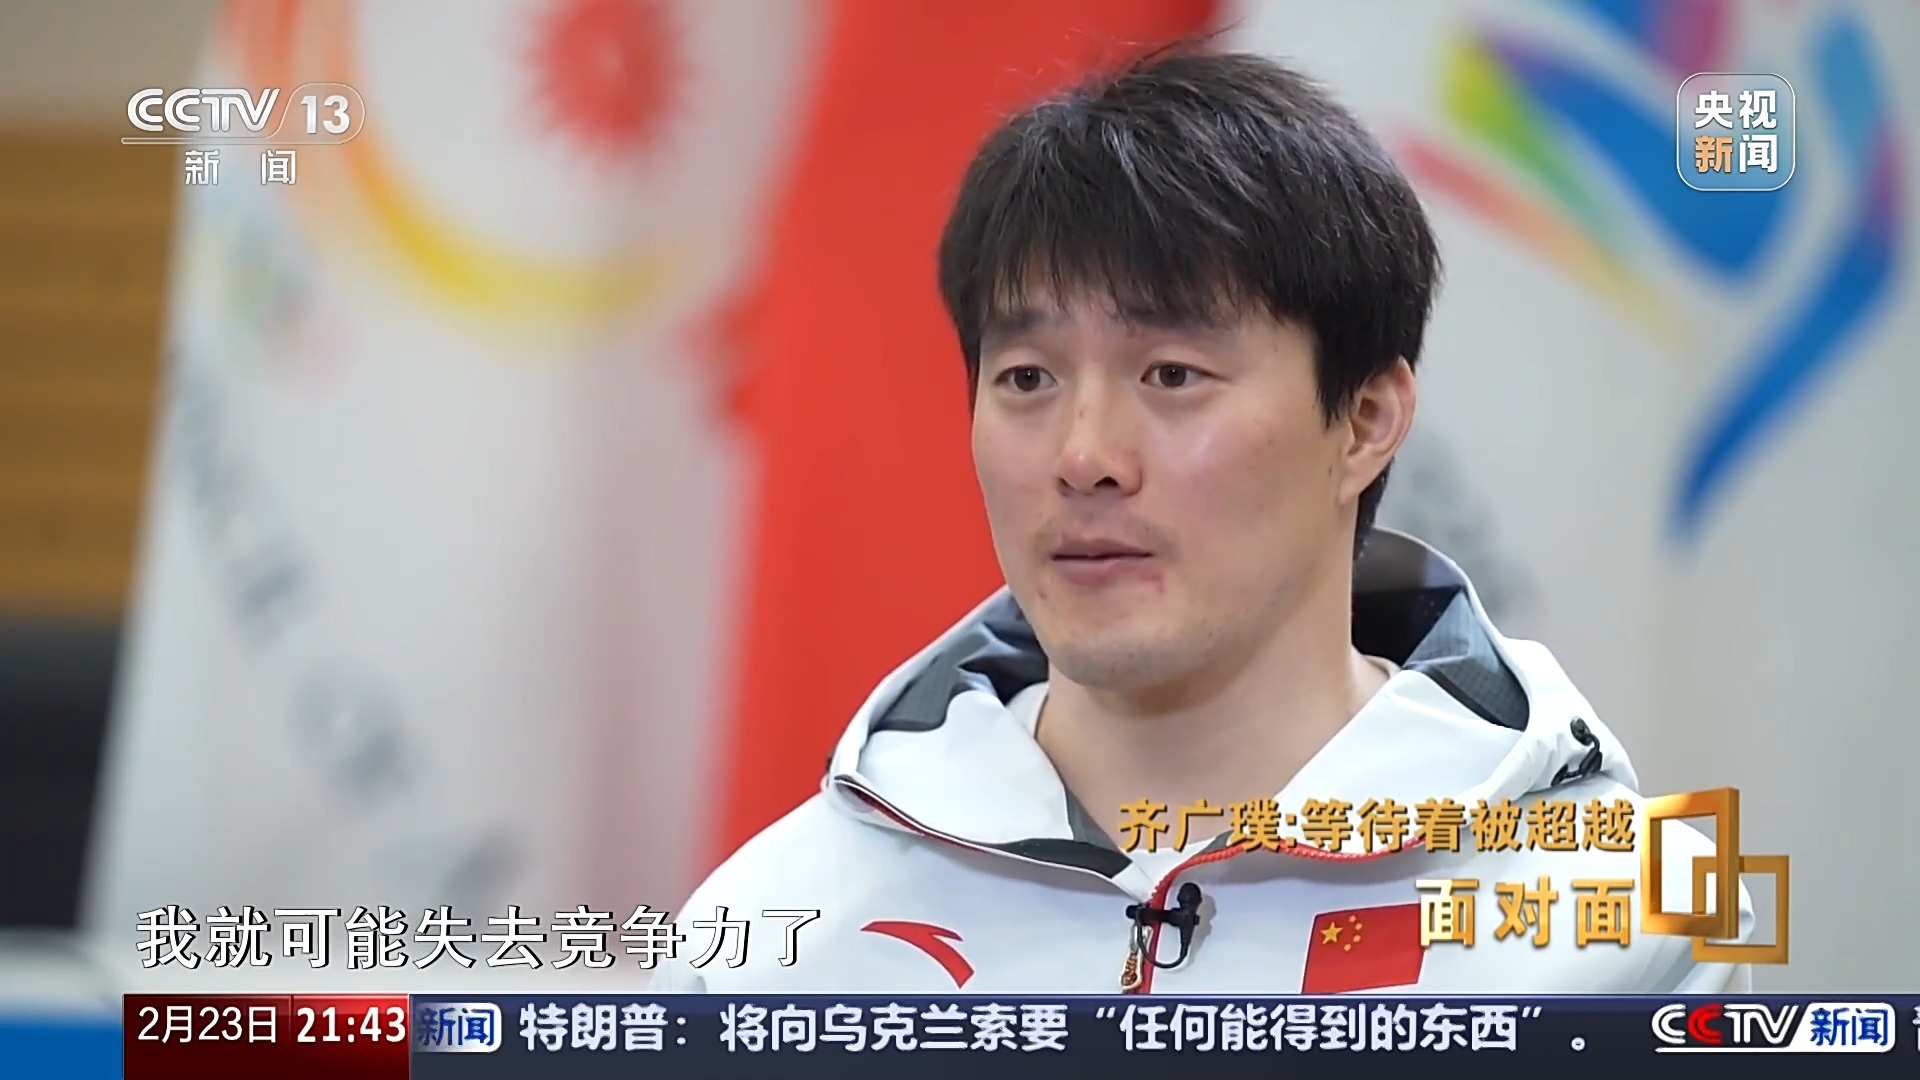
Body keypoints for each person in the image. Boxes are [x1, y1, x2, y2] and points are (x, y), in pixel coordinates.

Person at [655, 48, 1752, 994]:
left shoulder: (1625, 920)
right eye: (1028, 378)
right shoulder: (777, 939)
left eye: (1172, 374)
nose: (1084, 456)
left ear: (1365, 420)